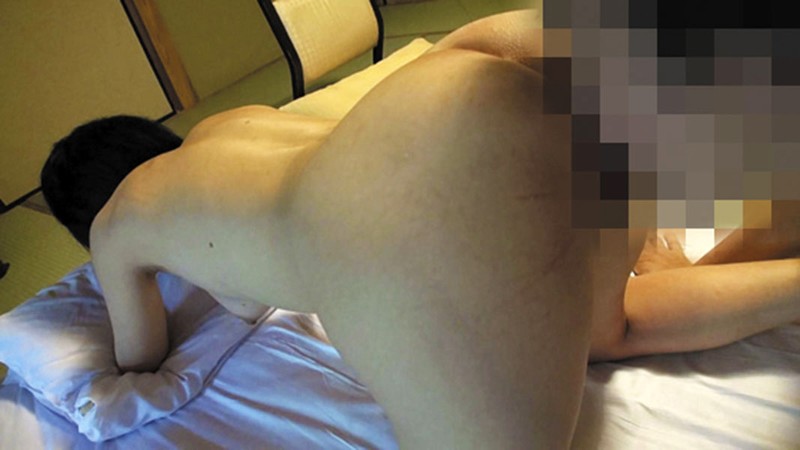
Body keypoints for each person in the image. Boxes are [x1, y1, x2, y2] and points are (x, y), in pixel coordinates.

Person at [39, 9, 800, 448]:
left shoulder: (117, 223)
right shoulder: (234, 123)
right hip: (458, 79)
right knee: (607, 325)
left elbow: (140, 354)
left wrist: (132, 271)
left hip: (396, 200)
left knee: (609, 329)